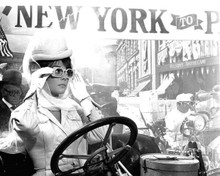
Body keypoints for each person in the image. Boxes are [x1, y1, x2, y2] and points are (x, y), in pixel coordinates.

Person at [8, 30, 106, 176]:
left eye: (68, 72)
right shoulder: (28, 111)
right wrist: (35, 87)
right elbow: (27, 126)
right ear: (40, 74)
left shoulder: (74, 108)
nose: (65, 77)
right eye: (58, 71)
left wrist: (84, 98)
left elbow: (99, 135)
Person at [0, 69, 28, 133]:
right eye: (12, 92)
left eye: (18, 92)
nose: (15, 96)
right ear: (3, 92)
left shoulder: (22, 109)